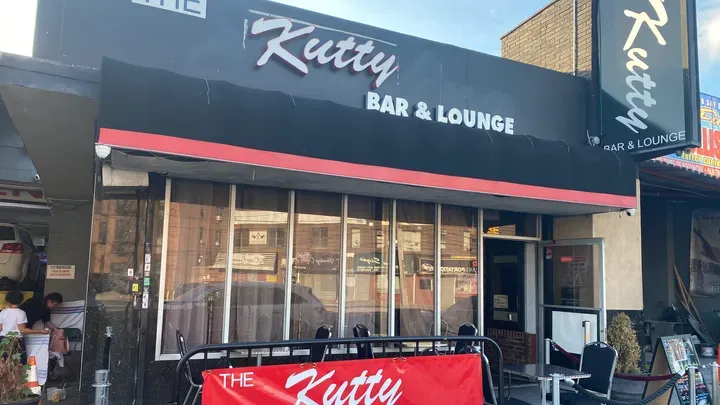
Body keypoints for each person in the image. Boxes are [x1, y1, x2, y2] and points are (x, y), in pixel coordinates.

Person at [0, 290, 49, 364]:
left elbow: (0, 328)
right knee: (18, 364)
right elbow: (22, 330)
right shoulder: (21, 313)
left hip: (3, 340)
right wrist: (41, 331)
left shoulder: (2, 312)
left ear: (8, 301)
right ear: (21, 301)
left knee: (4, 363)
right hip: (16, 341)